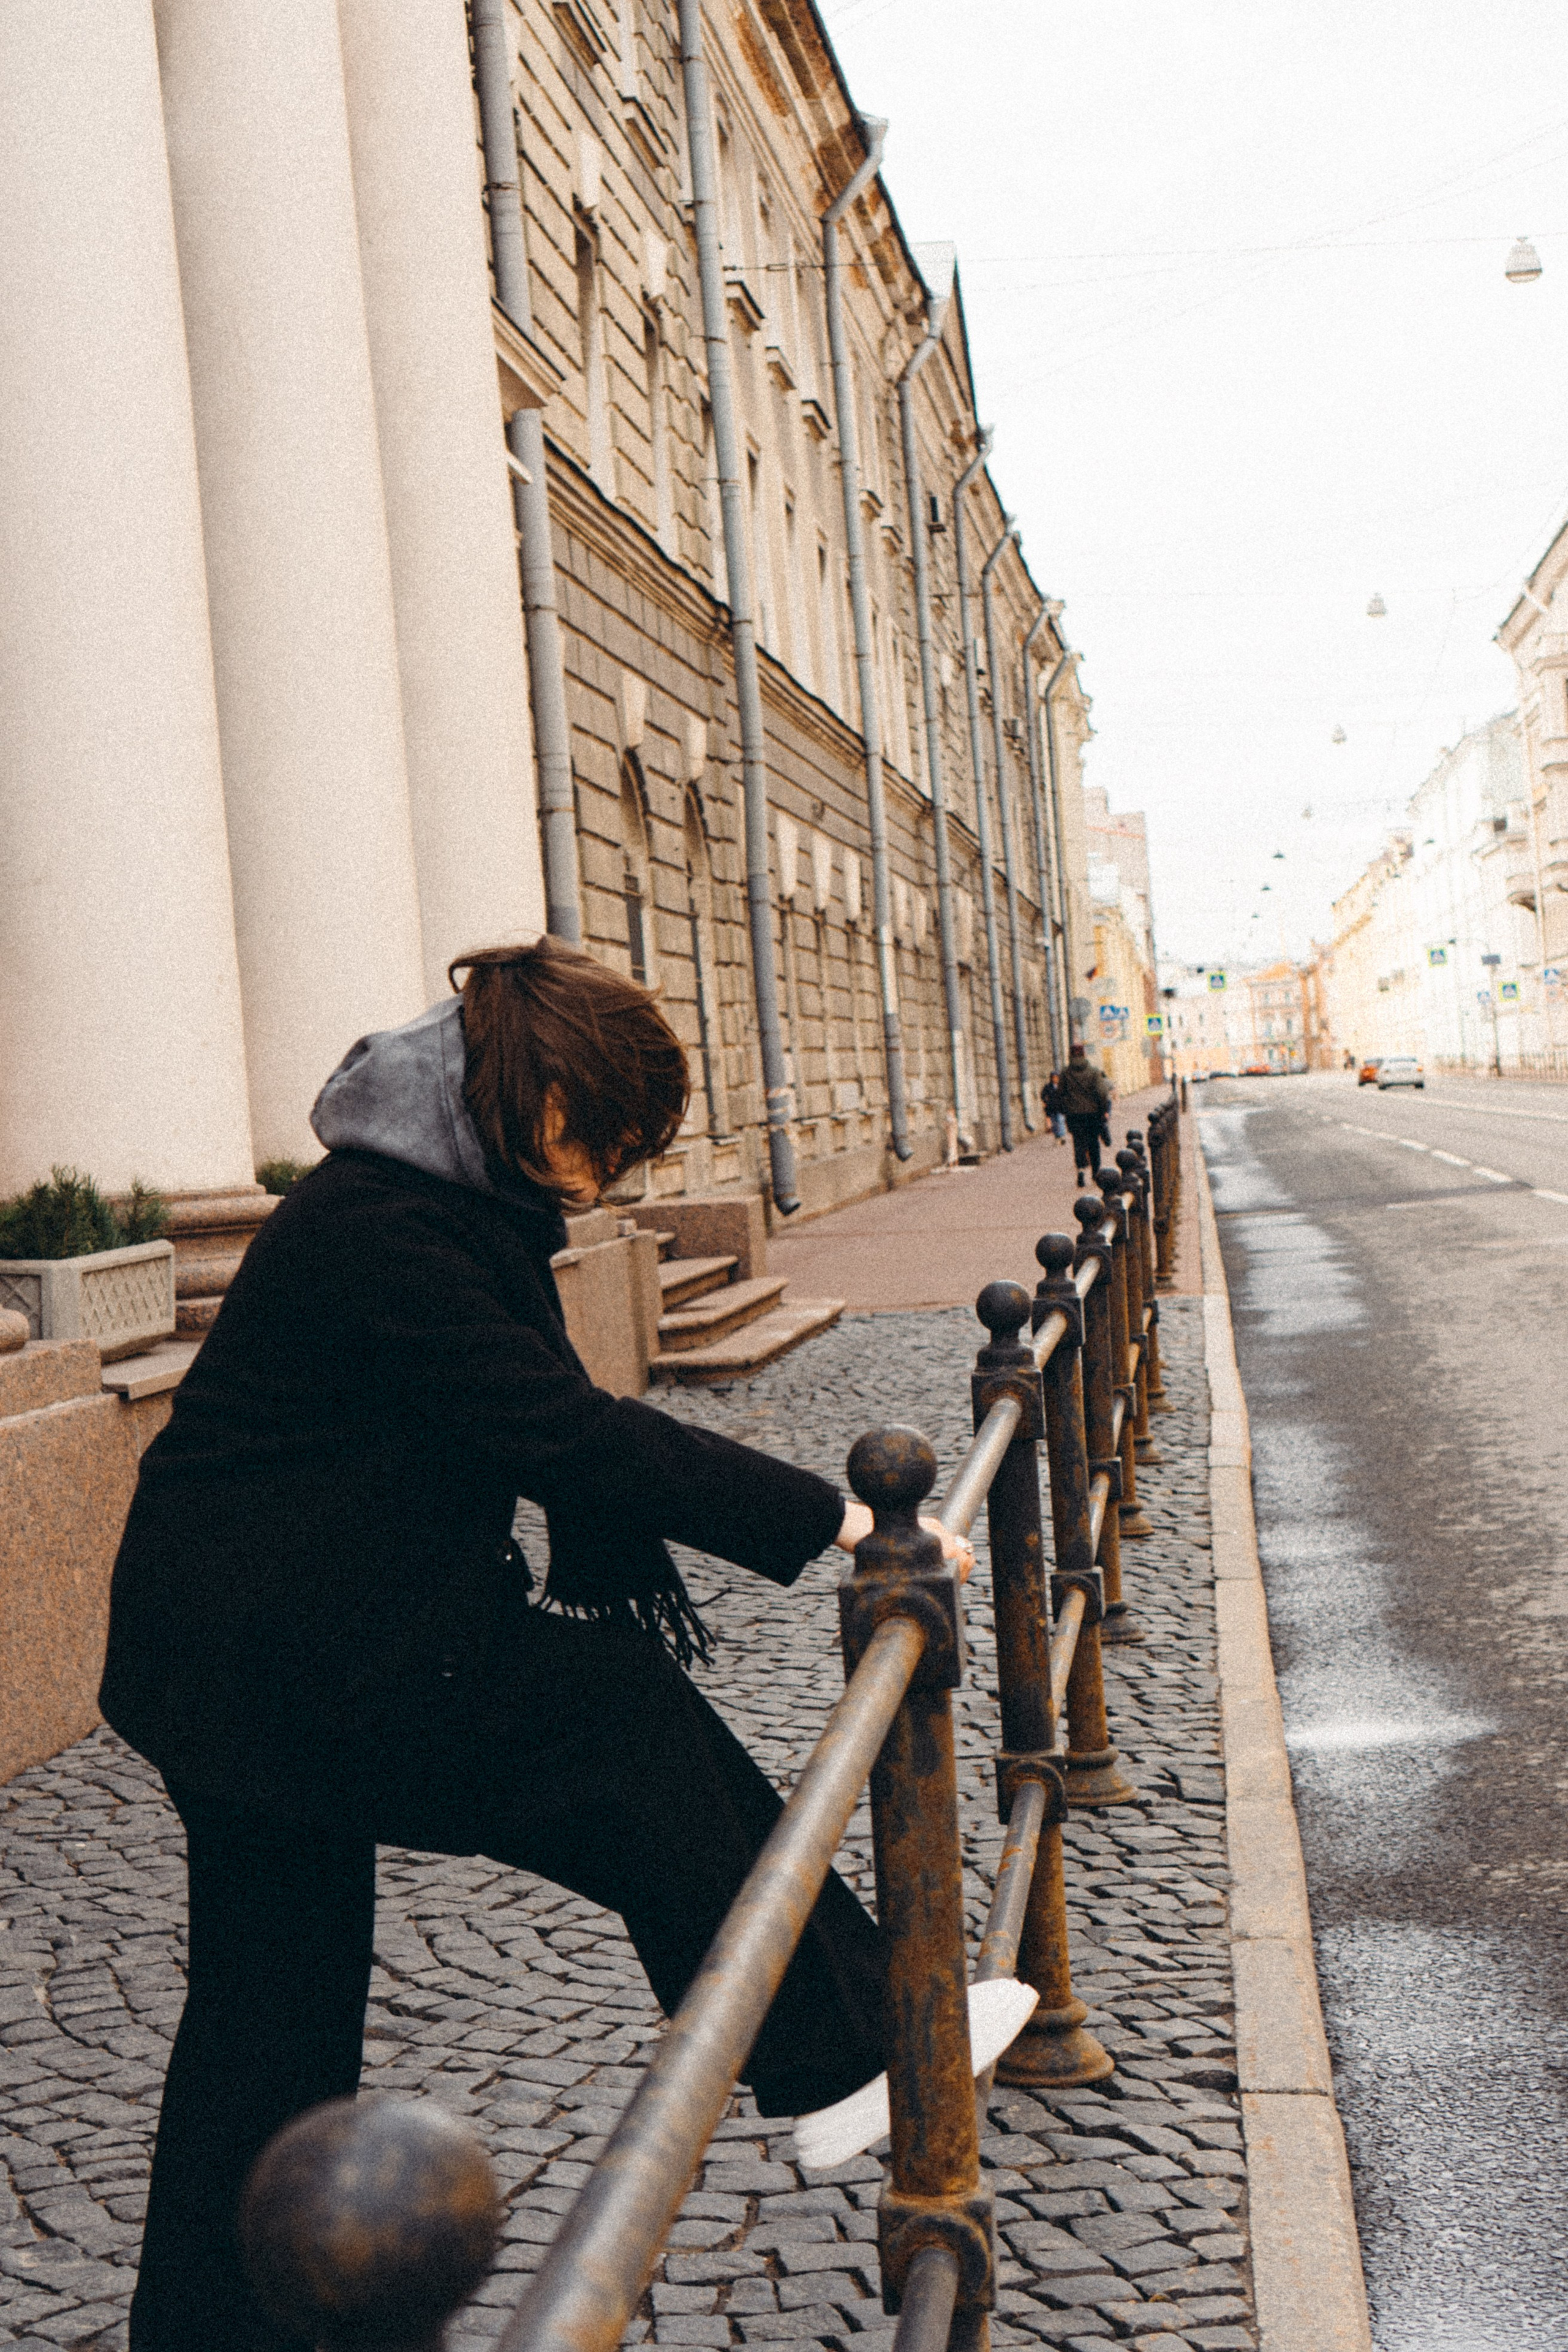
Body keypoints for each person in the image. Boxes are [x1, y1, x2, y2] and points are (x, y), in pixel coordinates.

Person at [99, 938, 972, 2352]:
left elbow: (533, 1423)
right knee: (614, 1725)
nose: (617, 1177)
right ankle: (837, 2049)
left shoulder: (436, 1197)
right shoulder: (385, 1223)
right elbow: (559, 1430)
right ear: (550, 1104)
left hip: (253, 1644)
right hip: (283, 1652)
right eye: (616, 1141)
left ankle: (206, 2331)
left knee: (268, 2025)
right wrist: (839, 1519)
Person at [1058, 1040, 1114, 1177]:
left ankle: (1081, 1170)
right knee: (1093, 1142)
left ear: (1070, 1055)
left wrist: (1066, 1109)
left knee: (1078, 1142)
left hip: (1074, 1115)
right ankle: (1096, 1172)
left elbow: (1060, 1094)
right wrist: (1103, 1110)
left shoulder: (1065, 1073)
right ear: (1084, 1054)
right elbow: (1102, 1093)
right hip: (1093, 1114)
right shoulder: (1094, 1072)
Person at [1041, 1070, 1068, 1144]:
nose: (1055, 1079)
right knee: (1055, 1123)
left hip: (1060, 1107)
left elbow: (1065, 1095)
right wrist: (1046, 1102)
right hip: (1052, 1107)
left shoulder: (1061, 1086)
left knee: (1060, 1121)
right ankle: (1057, 1136)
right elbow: (1043, 1095)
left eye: (1057, 1078)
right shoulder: (1048, 1087)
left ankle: (1062, 1136)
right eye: (1054, 1078)